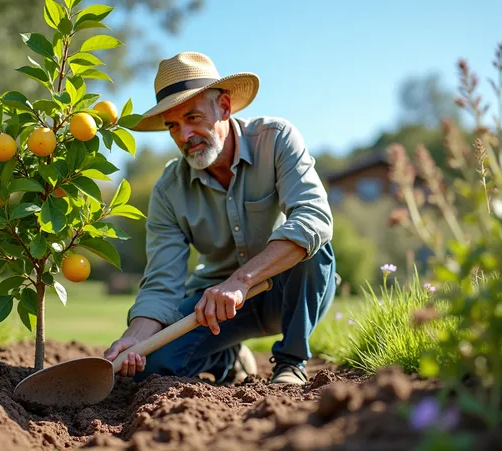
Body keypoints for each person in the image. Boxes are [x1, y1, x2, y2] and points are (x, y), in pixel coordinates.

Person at [103, 51, 337, 385]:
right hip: (214, 309)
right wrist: (134, 336)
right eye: (173, 126)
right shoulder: (169, 191)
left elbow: (314, 217)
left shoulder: (277, 139)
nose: (184, 136)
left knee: (314, 245)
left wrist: (240, 281)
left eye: (193, 117)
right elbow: (161, 282)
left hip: (286, 291)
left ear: (224, 107)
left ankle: (291, 362)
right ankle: (228, 359)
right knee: (153, 367)